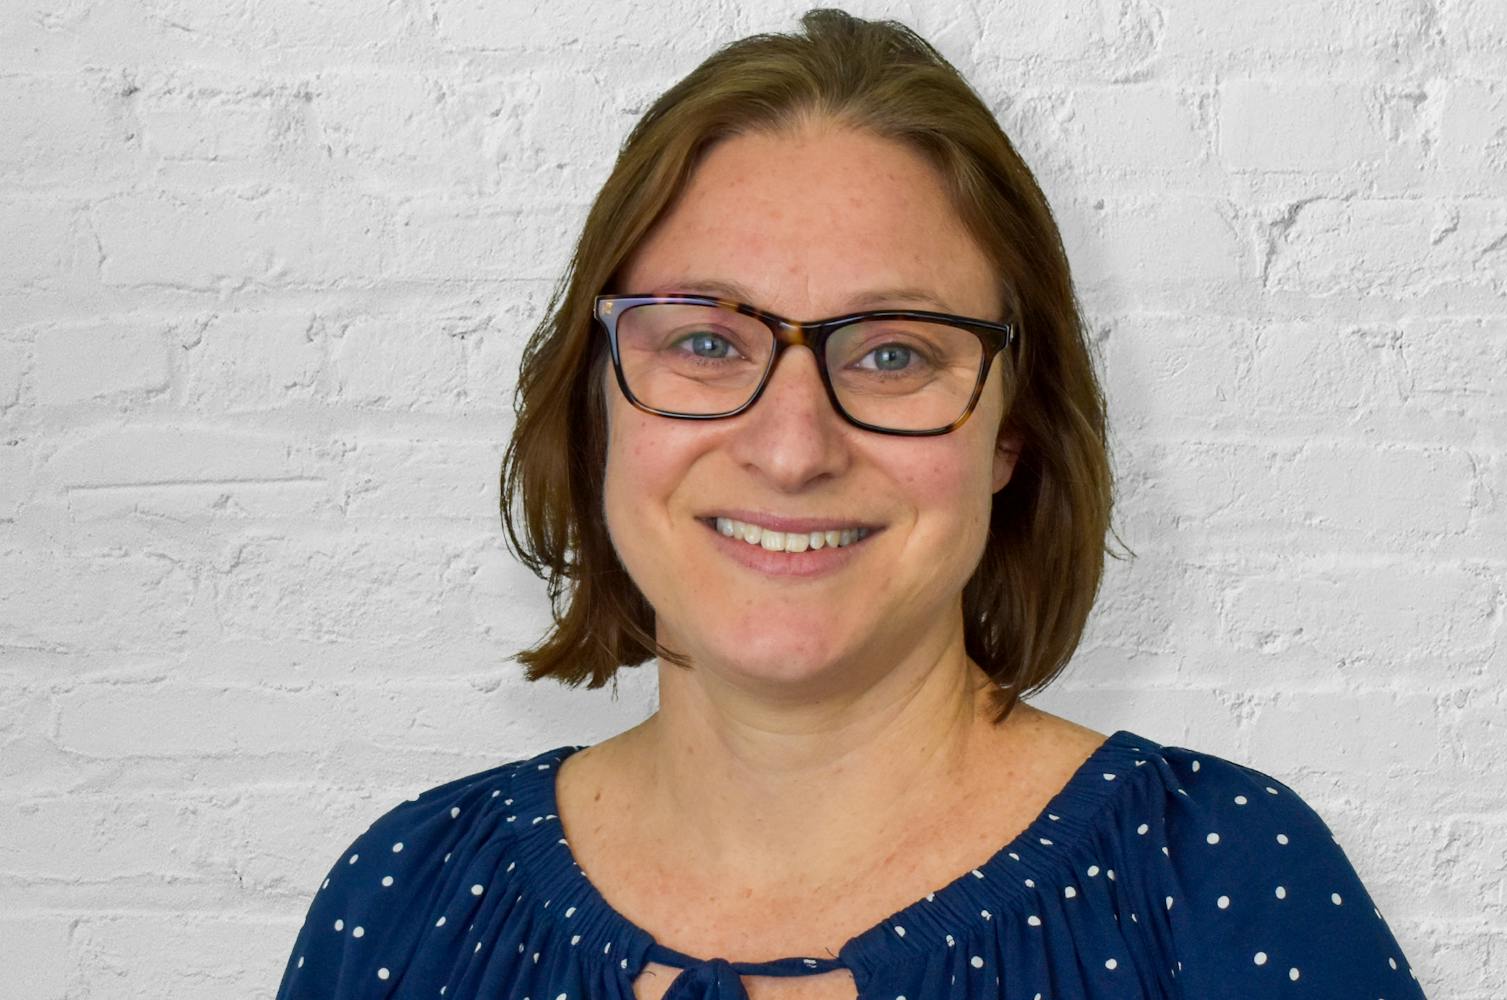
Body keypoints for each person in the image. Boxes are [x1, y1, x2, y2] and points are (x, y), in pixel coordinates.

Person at [275, 9, 1427, 999]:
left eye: (891, 355)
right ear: (599, 406)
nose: (790, 447)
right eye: (707, 340)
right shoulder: (406, 903)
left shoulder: (1217, 884)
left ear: (1009, 434)